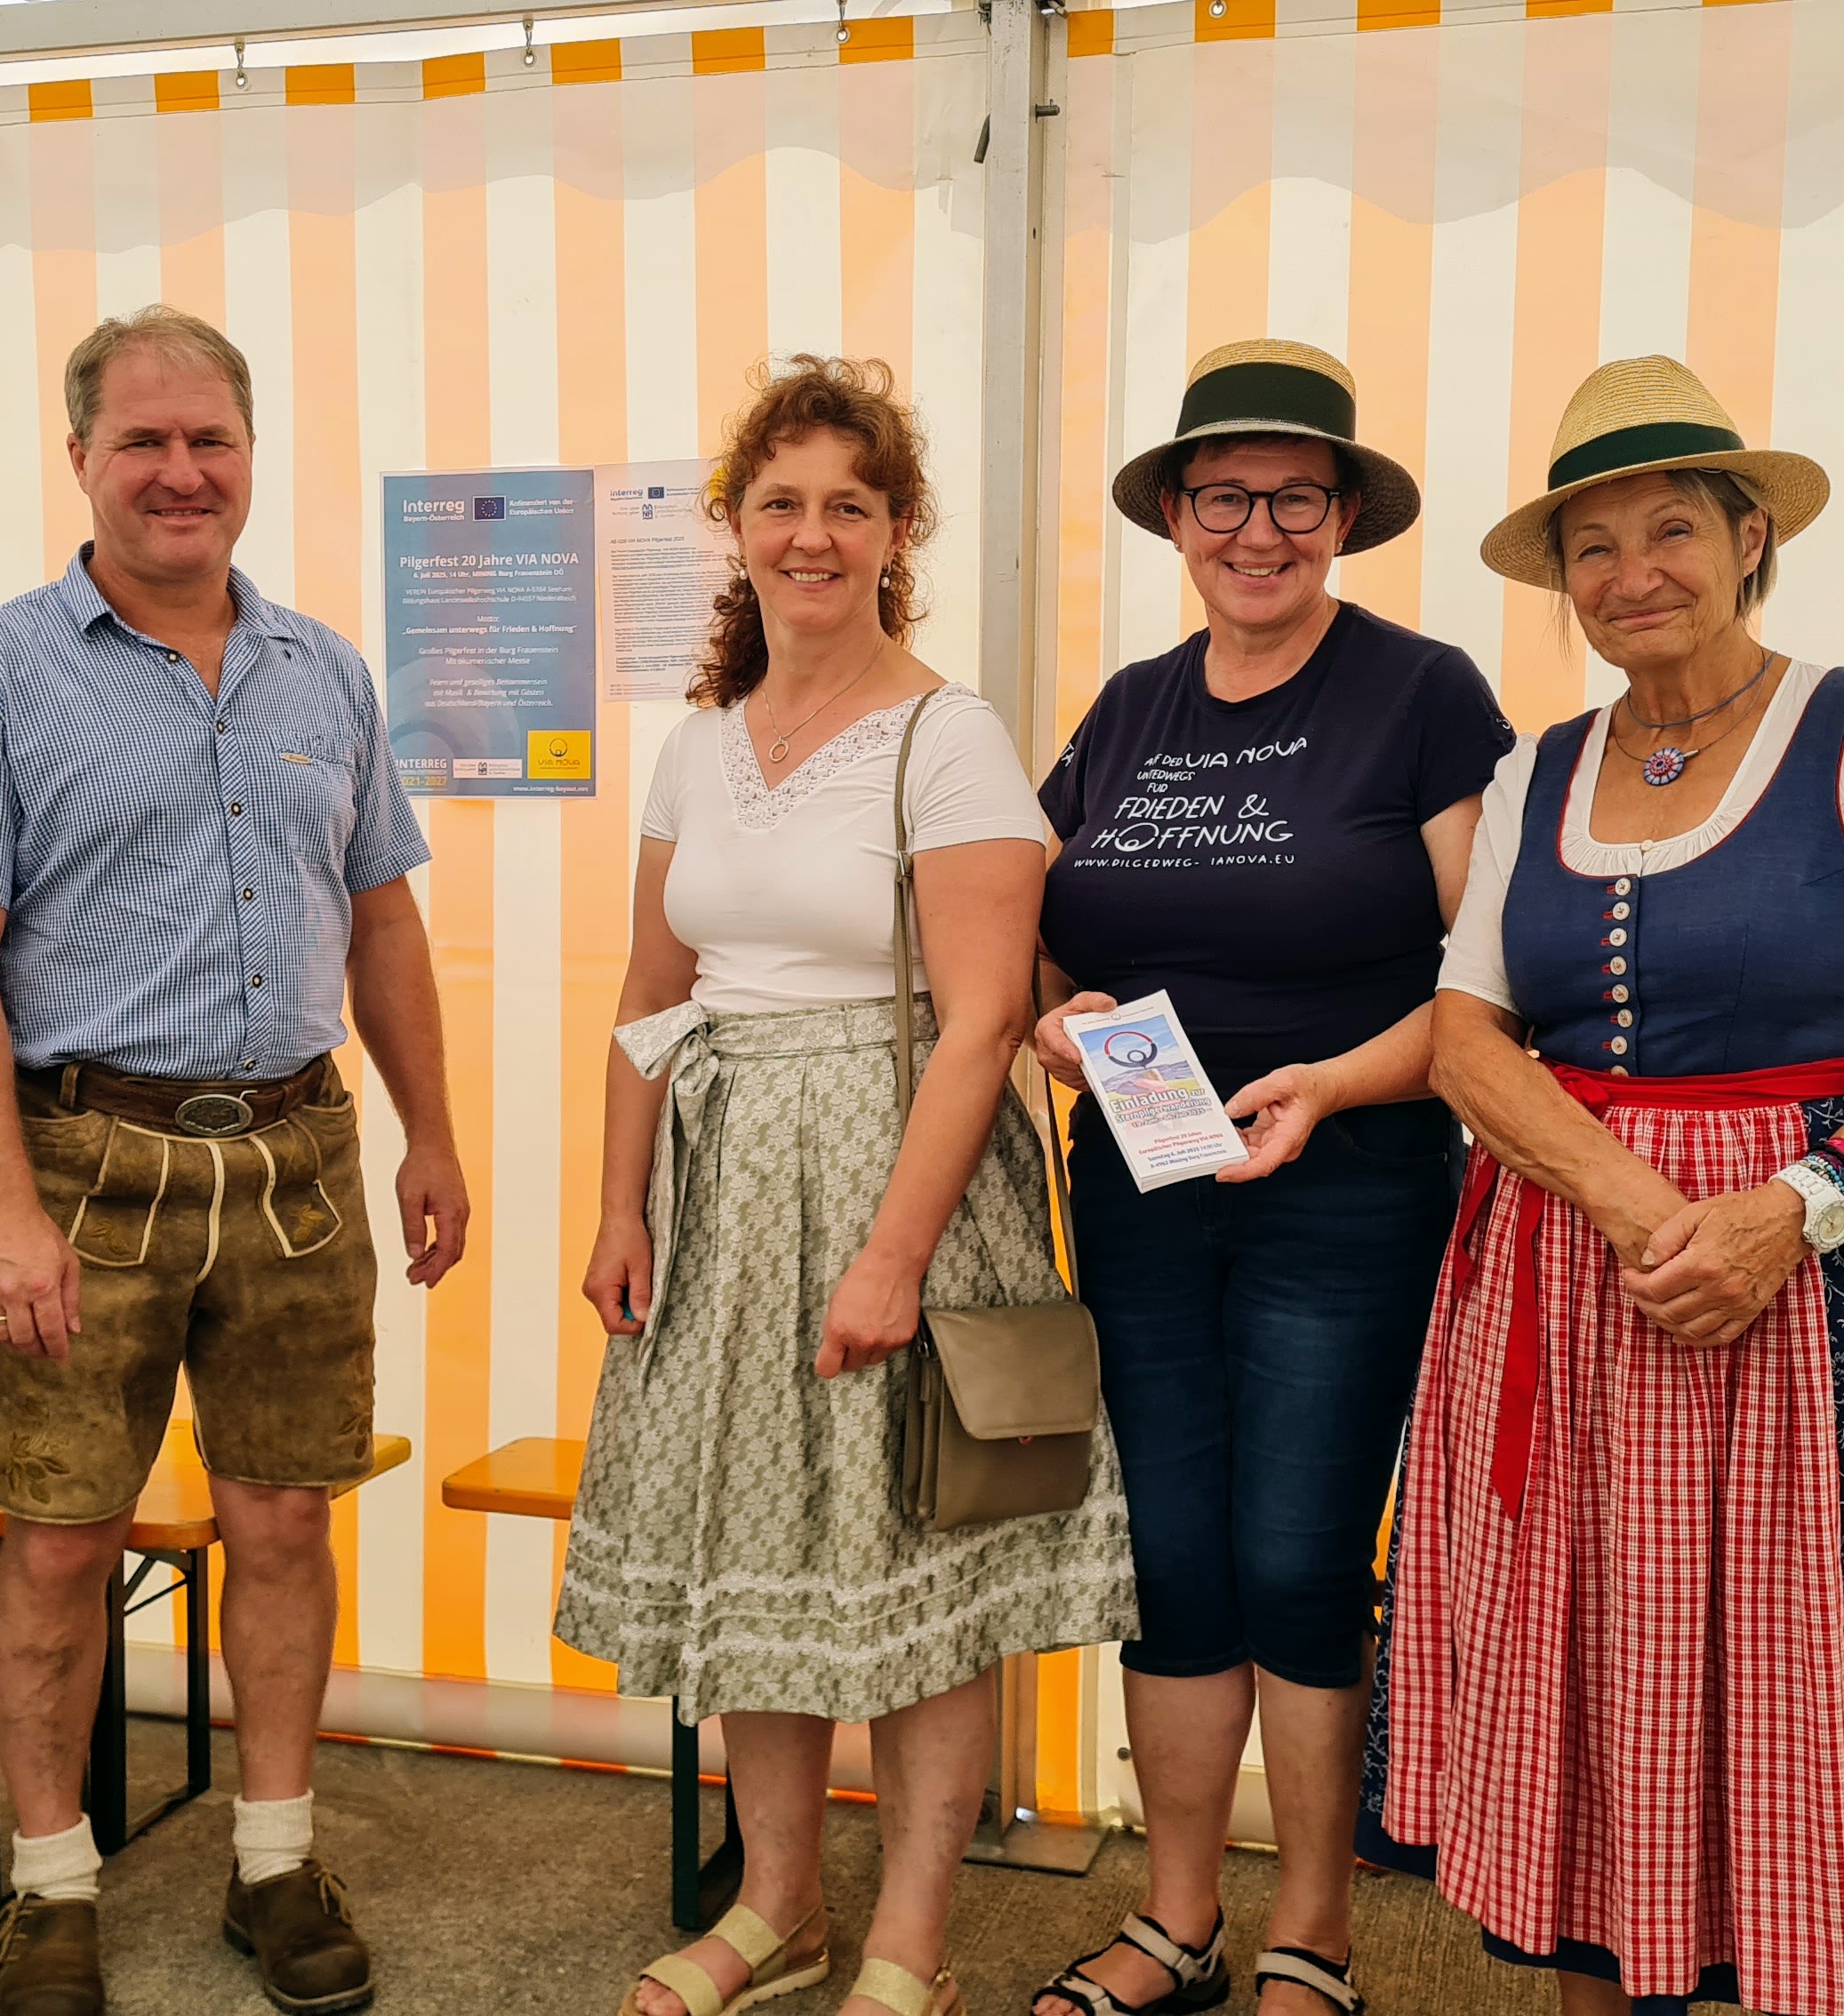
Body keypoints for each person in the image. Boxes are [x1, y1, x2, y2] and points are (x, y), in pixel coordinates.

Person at [1372, 355, 1844, 2016]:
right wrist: (1649, 1213)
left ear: (1747, 539)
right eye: (1594, 544)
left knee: (1789, 1678)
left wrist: (1789, 1211)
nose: (1632, 572)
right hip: (1577, 1275)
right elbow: (1464, 1036)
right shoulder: (1541, 767)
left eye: (1670, 529)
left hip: (1804, 1288)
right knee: (1599, 1690)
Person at [0, 305, 468, 2016]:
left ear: (250, 454)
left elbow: (382, 916)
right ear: (80, 459)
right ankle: (51, 1888)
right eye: (143, 441)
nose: (180, 472)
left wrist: (432, 1129)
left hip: (298, 1157)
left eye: (209, 439)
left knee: (282, 1519)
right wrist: (1, 1211)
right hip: (80, 1167)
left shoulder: (326, 671)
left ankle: (276, 1864)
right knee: (60, 1538)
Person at [559, 356, 1141, 2016]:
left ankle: (909, 1942)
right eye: (783, 502)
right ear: (739, 529)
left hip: (906, 1174)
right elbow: (648, 1001)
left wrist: (891, 1259)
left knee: (914, 1565)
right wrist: (620, 1207)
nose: (813, 534)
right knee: (761, 1559)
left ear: (897, 534)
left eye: (850, 506)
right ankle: (779, 1912)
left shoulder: (948, 739)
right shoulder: (698, 748)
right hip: (724, 1180)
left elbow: (977, 1028)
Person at [1027, 340, 1511, 2016]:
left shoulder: (1423, 691)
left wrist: (1336, 1084)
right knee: (1172, 1549)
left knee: (1301, 1552)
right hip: (1144, 1184)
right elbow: (1026, 937)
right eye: (1222, 496)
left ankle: (1312, 1930)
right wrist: (1050, 1022)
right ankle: (1178, 1917)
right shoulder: (1126, 710)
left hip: (1350, 1177)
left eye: (1295, 497)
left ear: (1345, 516)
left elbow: (1494, 977)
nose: (1257, 529)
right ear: (1174, 511)